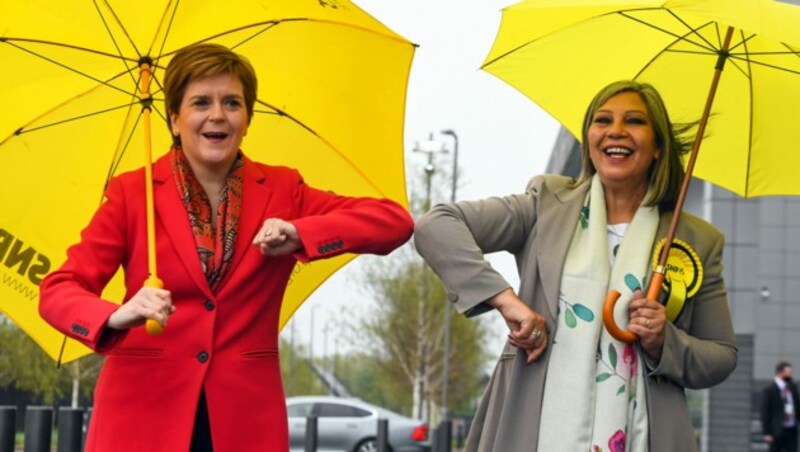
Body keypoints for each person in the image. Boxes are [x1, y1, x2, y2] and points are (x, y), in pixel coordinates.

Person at [38, 43, 413, 452]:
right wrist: (116, 314)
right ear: (175, 120)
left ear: (247, 119)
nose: (217, 114)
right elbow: (59, 289)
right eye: (201, 102)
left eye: (231, 102)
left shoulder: (284, 189)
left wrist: (301, 232)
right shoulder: (133, 192)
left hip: (244, 421)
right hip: (141, 418)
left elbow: (393, 222)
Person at [414, 80, 737, 452]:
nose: (616, 131)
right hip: (530, 432)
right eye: (602, 120)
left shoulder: (697, 239)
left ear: (658, 147)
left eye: (634, 121)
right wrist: (507, 301)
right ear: (589, 139)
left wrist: (665, 340)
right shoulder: (545, 204)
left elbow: (721, 356)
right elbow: (437, 226)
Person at [762, 361, 800, 452]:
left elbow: (797, 406)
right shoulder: (770, 390)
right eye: (788, 372)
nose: (790, 375)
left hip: (791, 429)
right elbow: (765, 412)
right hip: (777, 430)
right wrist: (767, 432)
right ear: (780, 372)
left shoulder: (793, 388)